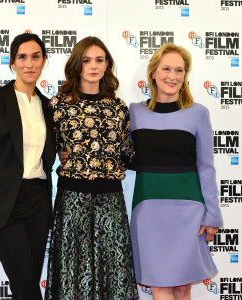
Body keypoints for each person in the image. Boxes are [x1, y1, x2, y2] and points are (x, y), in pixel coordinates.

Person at [45, 36, 138, 299]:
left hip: (110, 199)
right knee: (74, 271)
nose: (93, 66)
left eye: (99, 60)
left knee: (114, 269)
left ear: (107, 64)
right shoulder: (58, 105)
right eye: (86, 60)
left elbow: (128, 154)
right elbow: (44, 149)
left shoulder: (118, 108)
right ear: (77, 65)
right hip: (72, 200)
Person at [129, 43, 223, 300]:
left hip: (189, 211)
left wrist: (212, 214)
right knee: (159, 286)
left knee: (182, 288)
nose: (173, 76)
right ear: (153, 73)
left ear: (186, 75)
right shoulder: (134, 113)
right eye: (166, 68)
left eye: (179, 70)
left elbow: (206, 167)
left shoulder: (198, 114)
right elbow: (119, 156)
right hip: (148, 211)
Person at [0, 33, 56, 300]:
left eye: (36, 57)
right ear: (13, 62)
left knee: (26, 284)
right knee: (26, 281)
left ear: (43, 62)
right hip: (2, 204)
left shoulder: (49, 106)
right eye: (22, 57)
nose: (29, 63)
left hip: (38, 202)